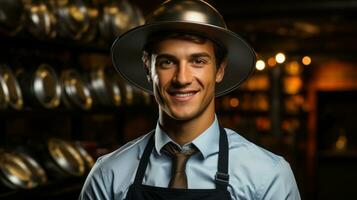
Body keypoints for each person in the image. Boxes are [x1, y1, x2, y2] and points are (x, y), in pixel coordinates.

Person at [79, 0, 301, 199]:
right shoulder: (109, 174)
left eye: (198, 61)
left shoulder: (268, 176)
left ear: (220, 70)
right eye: (167, 62)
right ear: (148, 68)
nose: (182, 78)